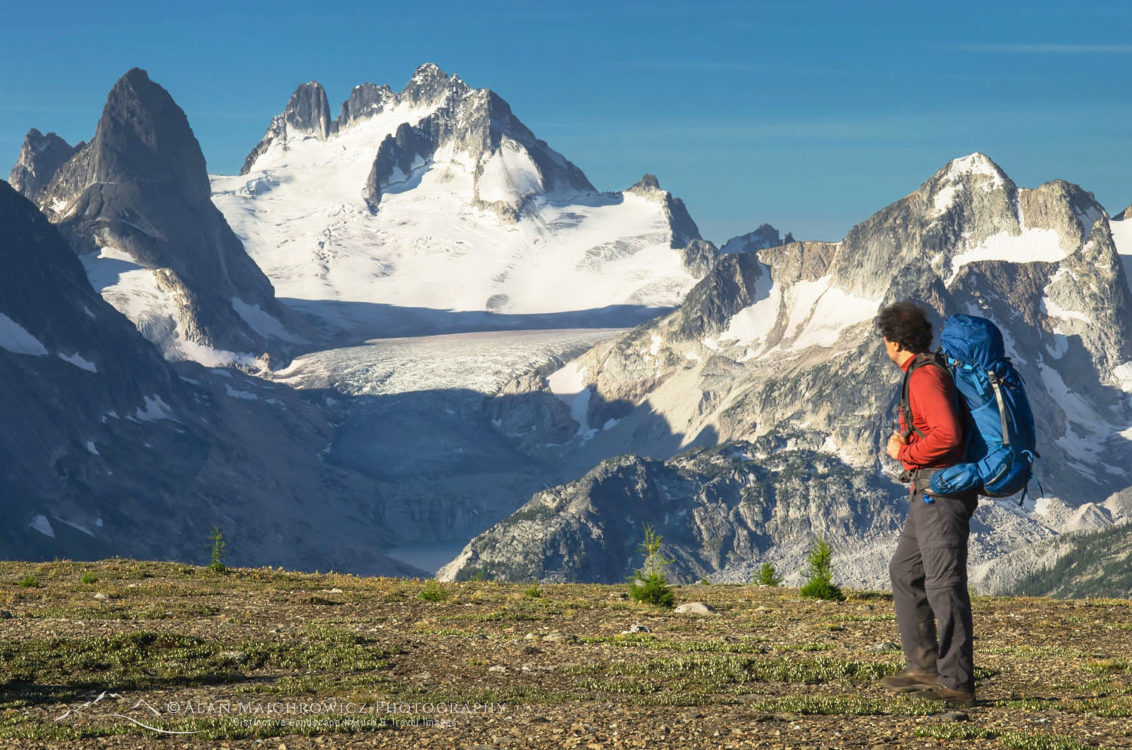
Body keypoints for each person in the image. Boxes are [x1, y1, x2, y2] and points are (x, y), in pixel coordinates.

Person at [876, 301, 978, 707]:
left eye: (885, 339)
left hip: (941, 492)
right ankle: (922, 666)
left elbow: (948, 435)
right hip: (928, 492)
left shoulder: (924, 377)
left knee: (943, 586)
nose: (884, 345)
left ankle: (956, 684)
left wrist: (904, 452)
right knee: (905, 571)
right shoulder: (922, 372)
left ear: (896, 342)